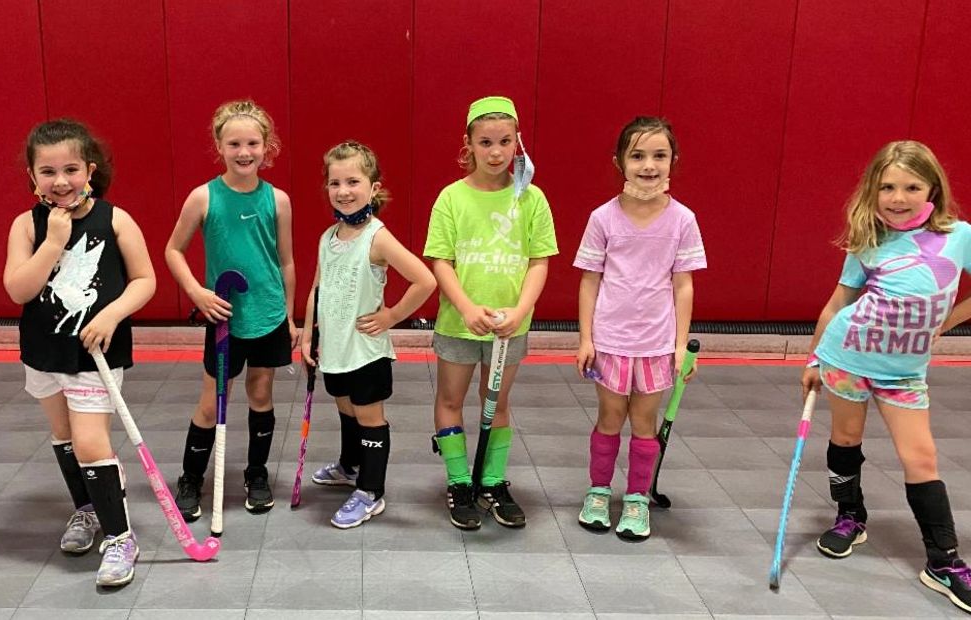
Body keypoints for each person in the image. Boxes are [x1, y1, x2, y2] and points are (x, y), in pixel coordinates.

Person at [801, 140, 971, 613]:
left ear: (932, 189)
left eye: (911, 187)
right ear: (873, 190)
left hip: (904, 373)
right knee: (845, 439)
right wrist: (813, 359)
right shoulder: (868, 239)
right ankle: (850, 516)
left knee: (921, 457)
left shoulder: (959, 235)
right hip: (847, 357)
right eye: (888, 187)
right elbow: (839, 303)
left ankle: (944, 562)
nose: (898, 198)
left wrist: (947, 322)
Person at [3, 118, 156, 586]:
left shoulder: (115, 220)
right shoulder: (26, 226)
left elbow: (144, 280)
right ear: (32, 176)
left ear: (89, 170)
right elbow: (18, 289)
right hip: (44, 352)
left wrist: (112, 315)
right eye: (47, 172)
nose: (60, 181)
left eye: (70, 169)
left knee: (91, 443)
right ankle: (88, 508)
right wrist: (52, 242)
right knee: (65, 436)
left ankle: (120, 537)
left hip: (95, 356)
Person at [423, 95, 557, 530]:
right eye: (485, 142)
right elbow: (440, 261)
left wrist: (520, 310)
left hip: (509, 328)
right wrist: (465, 307)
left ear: (518, 142)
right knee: (450, 400)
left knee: (496, 402)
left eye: (504, 141)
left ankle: (492, 481)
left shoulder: (532, 199)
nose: (496, 152)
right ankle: (459, 481)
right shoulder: (452, 198)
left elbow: (539, 261)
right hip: (458, 325)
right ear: (469, 144)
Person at [572, 116, 706, 542]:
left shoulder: (683, 220)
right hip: (610, 341)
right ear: (619, 162)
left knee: (644, 422)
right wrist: (586, 338)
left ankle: (636, 498)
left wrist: (680, 345)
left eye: (659, 155)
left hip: (656, 344)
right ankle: (598, 492)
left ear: (673, 161)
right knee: (610, 417)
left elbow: (683, 285)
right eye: (638, 156)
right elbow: (589, 280)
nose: (649, 165)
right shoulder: (602, 218)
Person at [164, 100, 297, 521]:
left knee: (261, 394)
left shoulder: (278, 200)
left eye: (252, 143)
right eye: (234, 144)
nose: (244, 152)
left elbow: (286, 262)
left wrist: (289, 316)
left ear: (266, 146)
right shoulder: (203, 197)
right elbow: (173, 250)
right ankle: (191, 478)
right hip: (224, 318)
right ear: (219, 146)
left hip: (269, 315)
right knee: (212, 402)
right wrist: (197, 293)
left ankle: (256, 474)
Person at [301, 140, 436, 528]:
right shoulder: (328, 237)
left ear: (373, 188)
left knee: (369, 416)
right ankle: (350, 466)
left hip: (365, 351)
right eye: (335, 183)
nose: (343, 191)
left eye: (353, 182)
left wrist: (391, 316)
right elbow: (317, 289)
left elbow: (425, 281)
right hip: (336, 347)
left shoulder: (377, 237)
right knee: (345, 407)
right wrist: (308, 335)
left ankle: (371, 491)